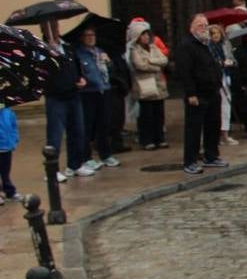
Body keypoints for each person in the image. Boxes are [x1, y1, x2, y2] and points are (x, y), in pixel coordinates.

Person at [176, 14, 228, 175]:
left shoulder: (208, 44)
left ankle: (211, 156)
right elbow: (185, 71)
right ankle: (190, 161)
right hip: (197, 94)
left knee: (213, 125)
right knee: (194, 129)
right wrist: (190, 93)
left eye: (205, 25)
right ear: (192, 28)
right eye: (200, 25)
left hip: (212, 91)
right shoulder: (187, 46)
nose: (204, 28)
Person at [76, 25, 118, 171]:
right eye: (87, 35)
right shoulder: (79, 54)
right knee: (88, 126)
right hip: (88, 93)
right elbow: (81, 73)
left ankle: (106, 154)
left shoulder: (100, 52)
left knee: (104, 124)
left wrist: (108, 61)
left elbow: (111, 71)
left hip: (104, 91)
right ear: (82, 38)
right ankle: (87, 157)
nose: (91, 38)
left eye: (92, 35)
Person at [127, 19, 169, 150]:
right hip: (144, 86)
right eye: (143, 34)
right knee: (147, 115)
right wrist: (155, 65)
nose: (146, 37)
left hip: (159, 86)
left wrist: (150, 60)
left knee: (159, 114)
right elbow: (140, 65)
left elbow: (164, 60)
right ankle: (147, 140)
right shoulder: (134, 49)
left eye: (147, 34)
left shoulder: (153, 47)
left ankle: (159, 138)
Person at [207, 23, 238, 148]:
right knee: (216, 108)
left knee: (226, 106)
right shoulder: (208, 47)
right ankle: (216, 135)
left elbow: (234, 60)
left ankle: (225, 133)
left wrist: (230, 62)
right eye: (213, 33)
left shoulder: (225, 46)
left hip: (226, 78)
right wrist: (219, 63)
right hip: (215, 80)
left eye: (218, 33)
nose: (216, 35)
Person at [0, 103, 20, 203]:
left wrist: (14, 139)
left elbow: (14, 126)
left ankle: (9, 191)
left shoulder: (9, 112)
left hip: (7, 147)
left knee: (5, 172)